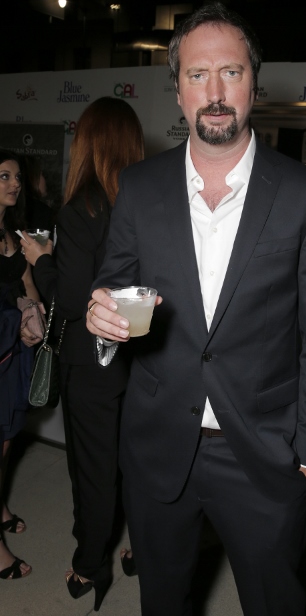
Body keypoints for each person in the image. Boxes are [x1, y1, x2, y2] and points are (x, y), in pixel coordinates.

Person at [86, 3, 306, 616]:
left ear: (254, 82)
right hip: (157, 450)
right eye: (198, 75)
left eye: (230, 71)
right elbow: (115, 292)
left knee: (275, 602)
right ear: (177, 89)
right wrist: (103, 323)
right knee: (163, 602)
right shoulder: (140, 187)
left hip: (263, 453)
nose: (216, 91)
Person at [20, 98, 145, 610]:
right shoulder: (148, 204)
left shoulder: (81, 209)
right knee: (135, 460)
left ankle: (91, 566)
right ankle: (143, 546)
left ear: (87, 143)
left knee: (93, 469)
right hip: (144, 356)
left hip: (92, 364)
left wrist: (44, 261)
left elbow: (71, 299)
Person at [0, 149, 42, 580]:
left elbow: (28, 284)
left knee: (9, 440)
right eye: (4, 176)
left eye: (15, 177)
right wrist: (18, 318)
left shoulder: (13, 233)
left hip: (14, 356)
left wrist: (37, 317)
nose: (14, 183)